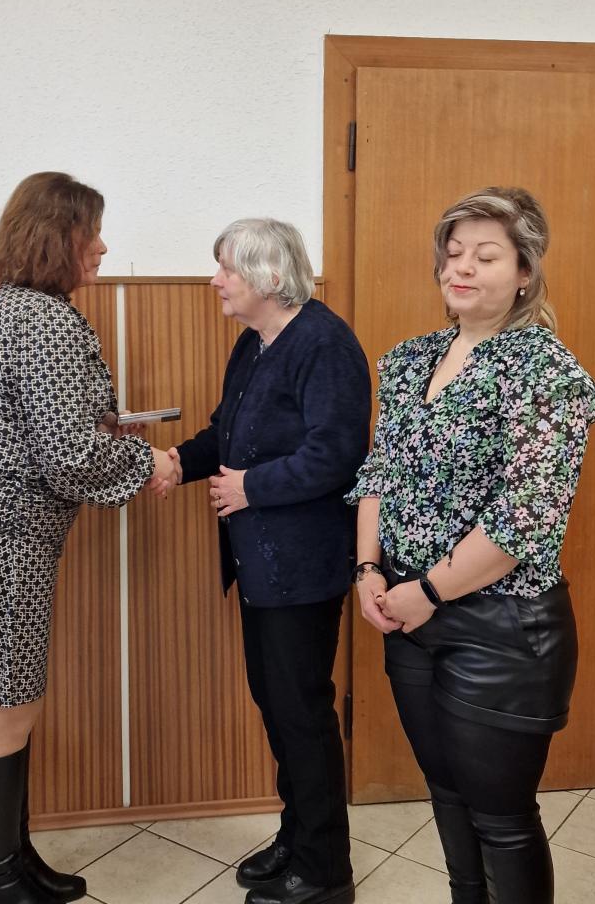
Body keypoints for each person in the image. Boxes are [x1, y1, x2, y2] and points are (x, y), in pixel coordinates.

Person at [347, 187, 595, 904]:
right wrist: (369, 568)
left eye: (486, 256)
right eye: (453, 252)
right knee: (446, 793)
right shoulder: (410, 360)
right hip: (406, 612)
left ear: (525, 271)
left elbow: (525, 517)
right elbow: (379, 471)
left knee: (501, 818)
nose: (461, 267)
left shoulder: (545, 372)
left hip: (501, 629)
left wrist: (428, 591)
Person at [0, 172, 175, 904]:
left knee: (10, 696)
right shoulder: (44, 320)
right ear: (56, 238)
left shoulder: (14, 307)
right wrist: (149, 462)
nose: (101, 247)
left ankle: (14, 857)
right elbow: (67, 457)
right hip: (4, 534)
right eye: (89, 233)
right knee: (9, 702)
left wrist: (105, 429)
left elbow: (51, 430)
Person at [157, 218, 371, 904]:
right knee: (277, 703)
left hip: (302, 564)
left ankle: (326, 869)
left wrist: (252, 487)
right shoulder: (255, 341)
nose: (215, 280)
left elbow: (337, 454)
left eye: (226, 269)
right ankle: (297, 835)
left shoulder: (325, 343)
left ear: (269, 277)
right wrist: (175, 462)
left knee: (301, 710)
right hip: (260, 563)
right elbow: (225, 431)